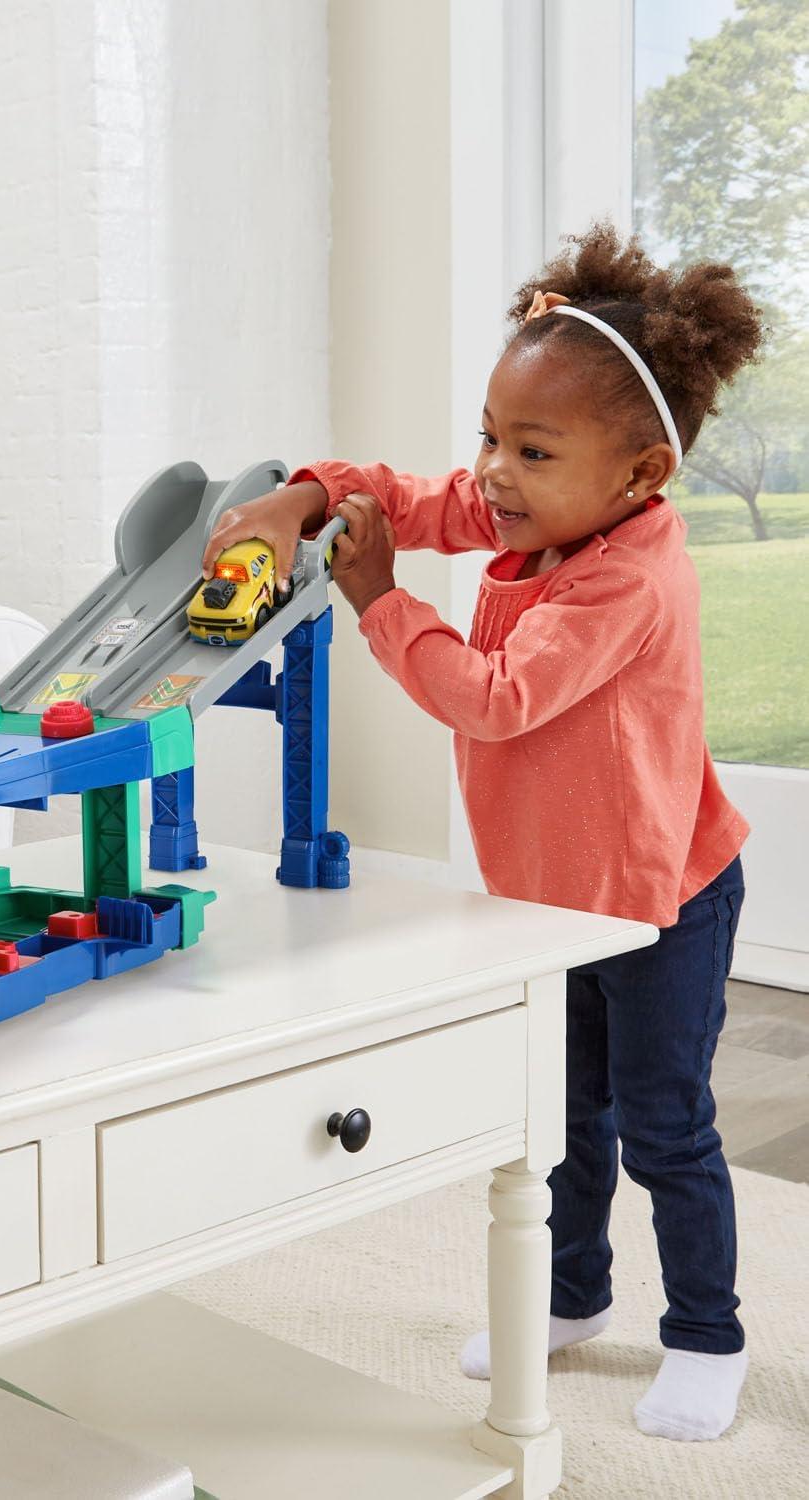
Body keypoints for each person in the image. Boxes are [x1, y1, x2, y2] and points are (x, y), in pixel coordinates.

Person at [203, 223, 762, 1443]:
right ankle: (570, 1298)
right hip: (555, 900)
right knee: (561, 1117)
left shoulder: (626, 578)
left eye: (532, 451)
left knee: (667, 1127)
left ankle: (706, 1337)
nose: (495, 475)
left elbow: (496, 699)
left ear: (641, 475)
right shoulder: (541, 511)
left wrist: (380, 598)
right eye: (490, 438)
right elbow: (410, 497)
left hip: (661, 898)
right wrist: (308, 495)